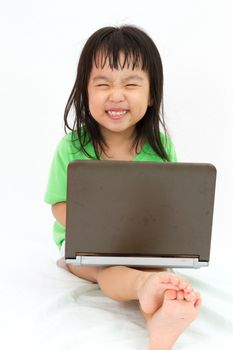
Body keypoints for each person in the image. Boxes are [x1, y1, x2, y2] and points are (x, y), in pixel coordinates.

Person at [44, 25, 201, 350]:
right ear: (86, 91)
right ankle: (146, 285)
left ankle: (161, 320)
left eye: (131, 84)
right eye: (103, 84)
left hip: (144, 244)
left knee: (159, 270)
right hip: (89, 249)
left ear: (152, 93)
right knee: (109, 270)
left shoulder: (160, 147)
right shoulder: (71, 147)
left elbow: (171, 204)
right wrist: (96, 229)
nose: (116, 95)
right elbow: (59, 205)